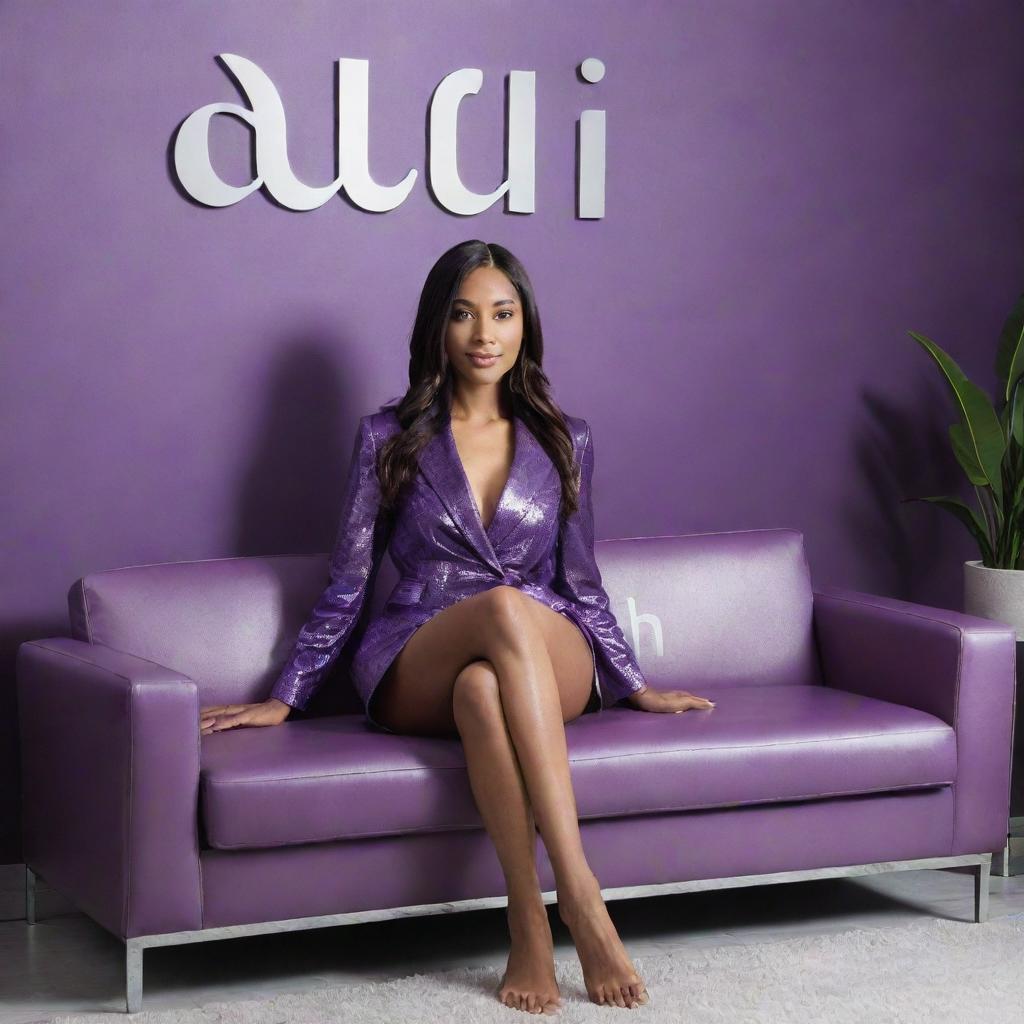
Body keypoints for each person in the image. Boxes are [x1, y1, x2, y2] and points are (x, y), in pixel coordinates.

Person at [199, 240, 715, 1014]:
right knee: (486, 649)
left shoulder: (564, 438)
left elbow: (581, 583)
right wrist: (289, 695)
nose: (485, 334)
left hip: (548, 645)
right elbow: (348, 582)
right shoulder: (387, 438)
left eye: (503, 314)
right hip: (421, 648)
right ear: (438, 329)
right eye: (465, 314)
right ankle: (578, 894)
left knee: (494, 672)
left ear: (524, 327)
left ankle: (531, 925)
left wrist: (634, 685)